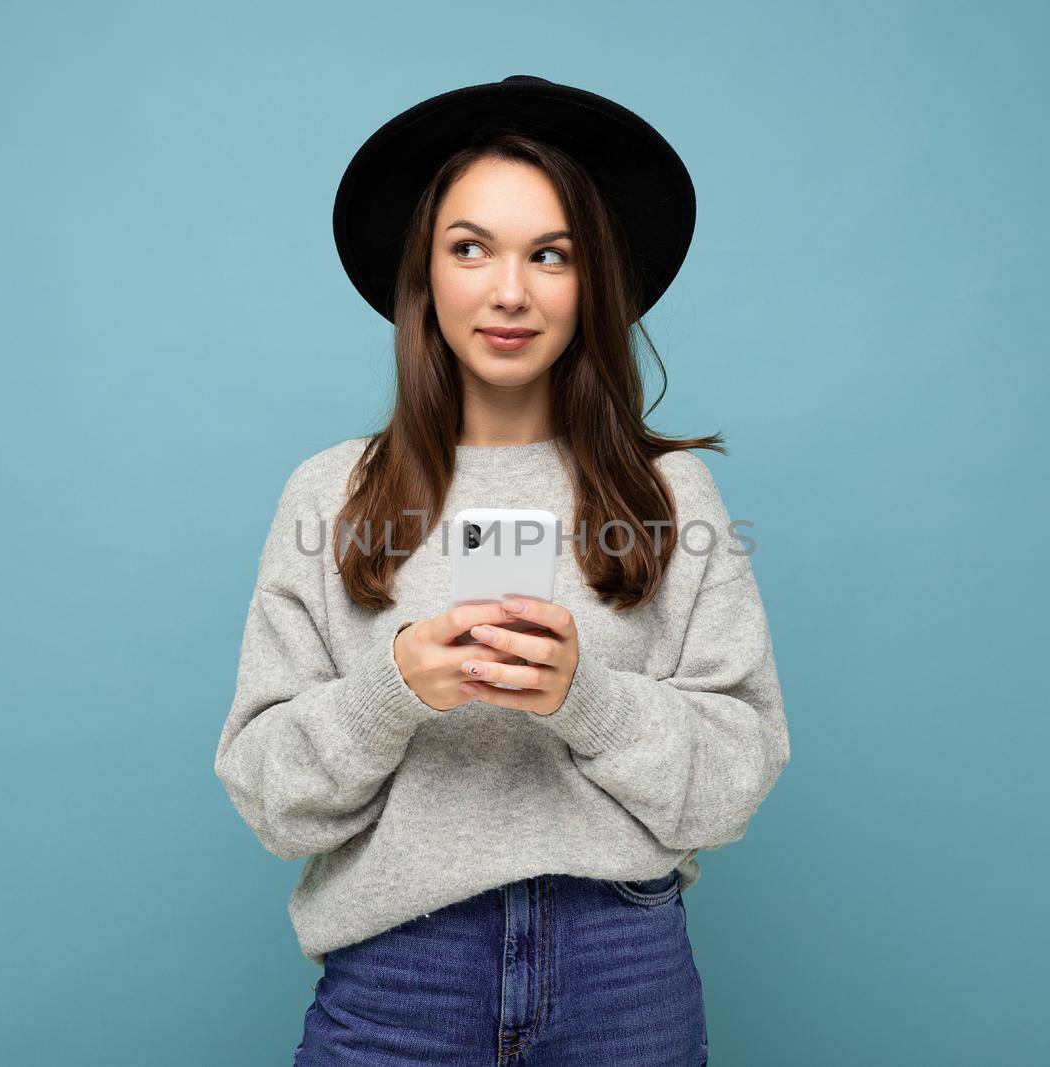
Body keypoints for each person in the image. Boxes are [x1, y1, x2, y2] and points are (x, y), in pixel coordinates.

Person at [212, 74, 790, 1066]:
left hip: (622, 969)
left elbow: (734, 780)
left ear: (591, 280)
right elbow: (273, 802)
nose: (509, 290)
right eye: (470, 247)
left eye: (549, 254)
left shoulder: (671, 496)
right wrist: (395, 688)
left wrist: (586, 696)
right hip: (399, 968)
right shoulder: (328, 495)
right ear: (424, 274)